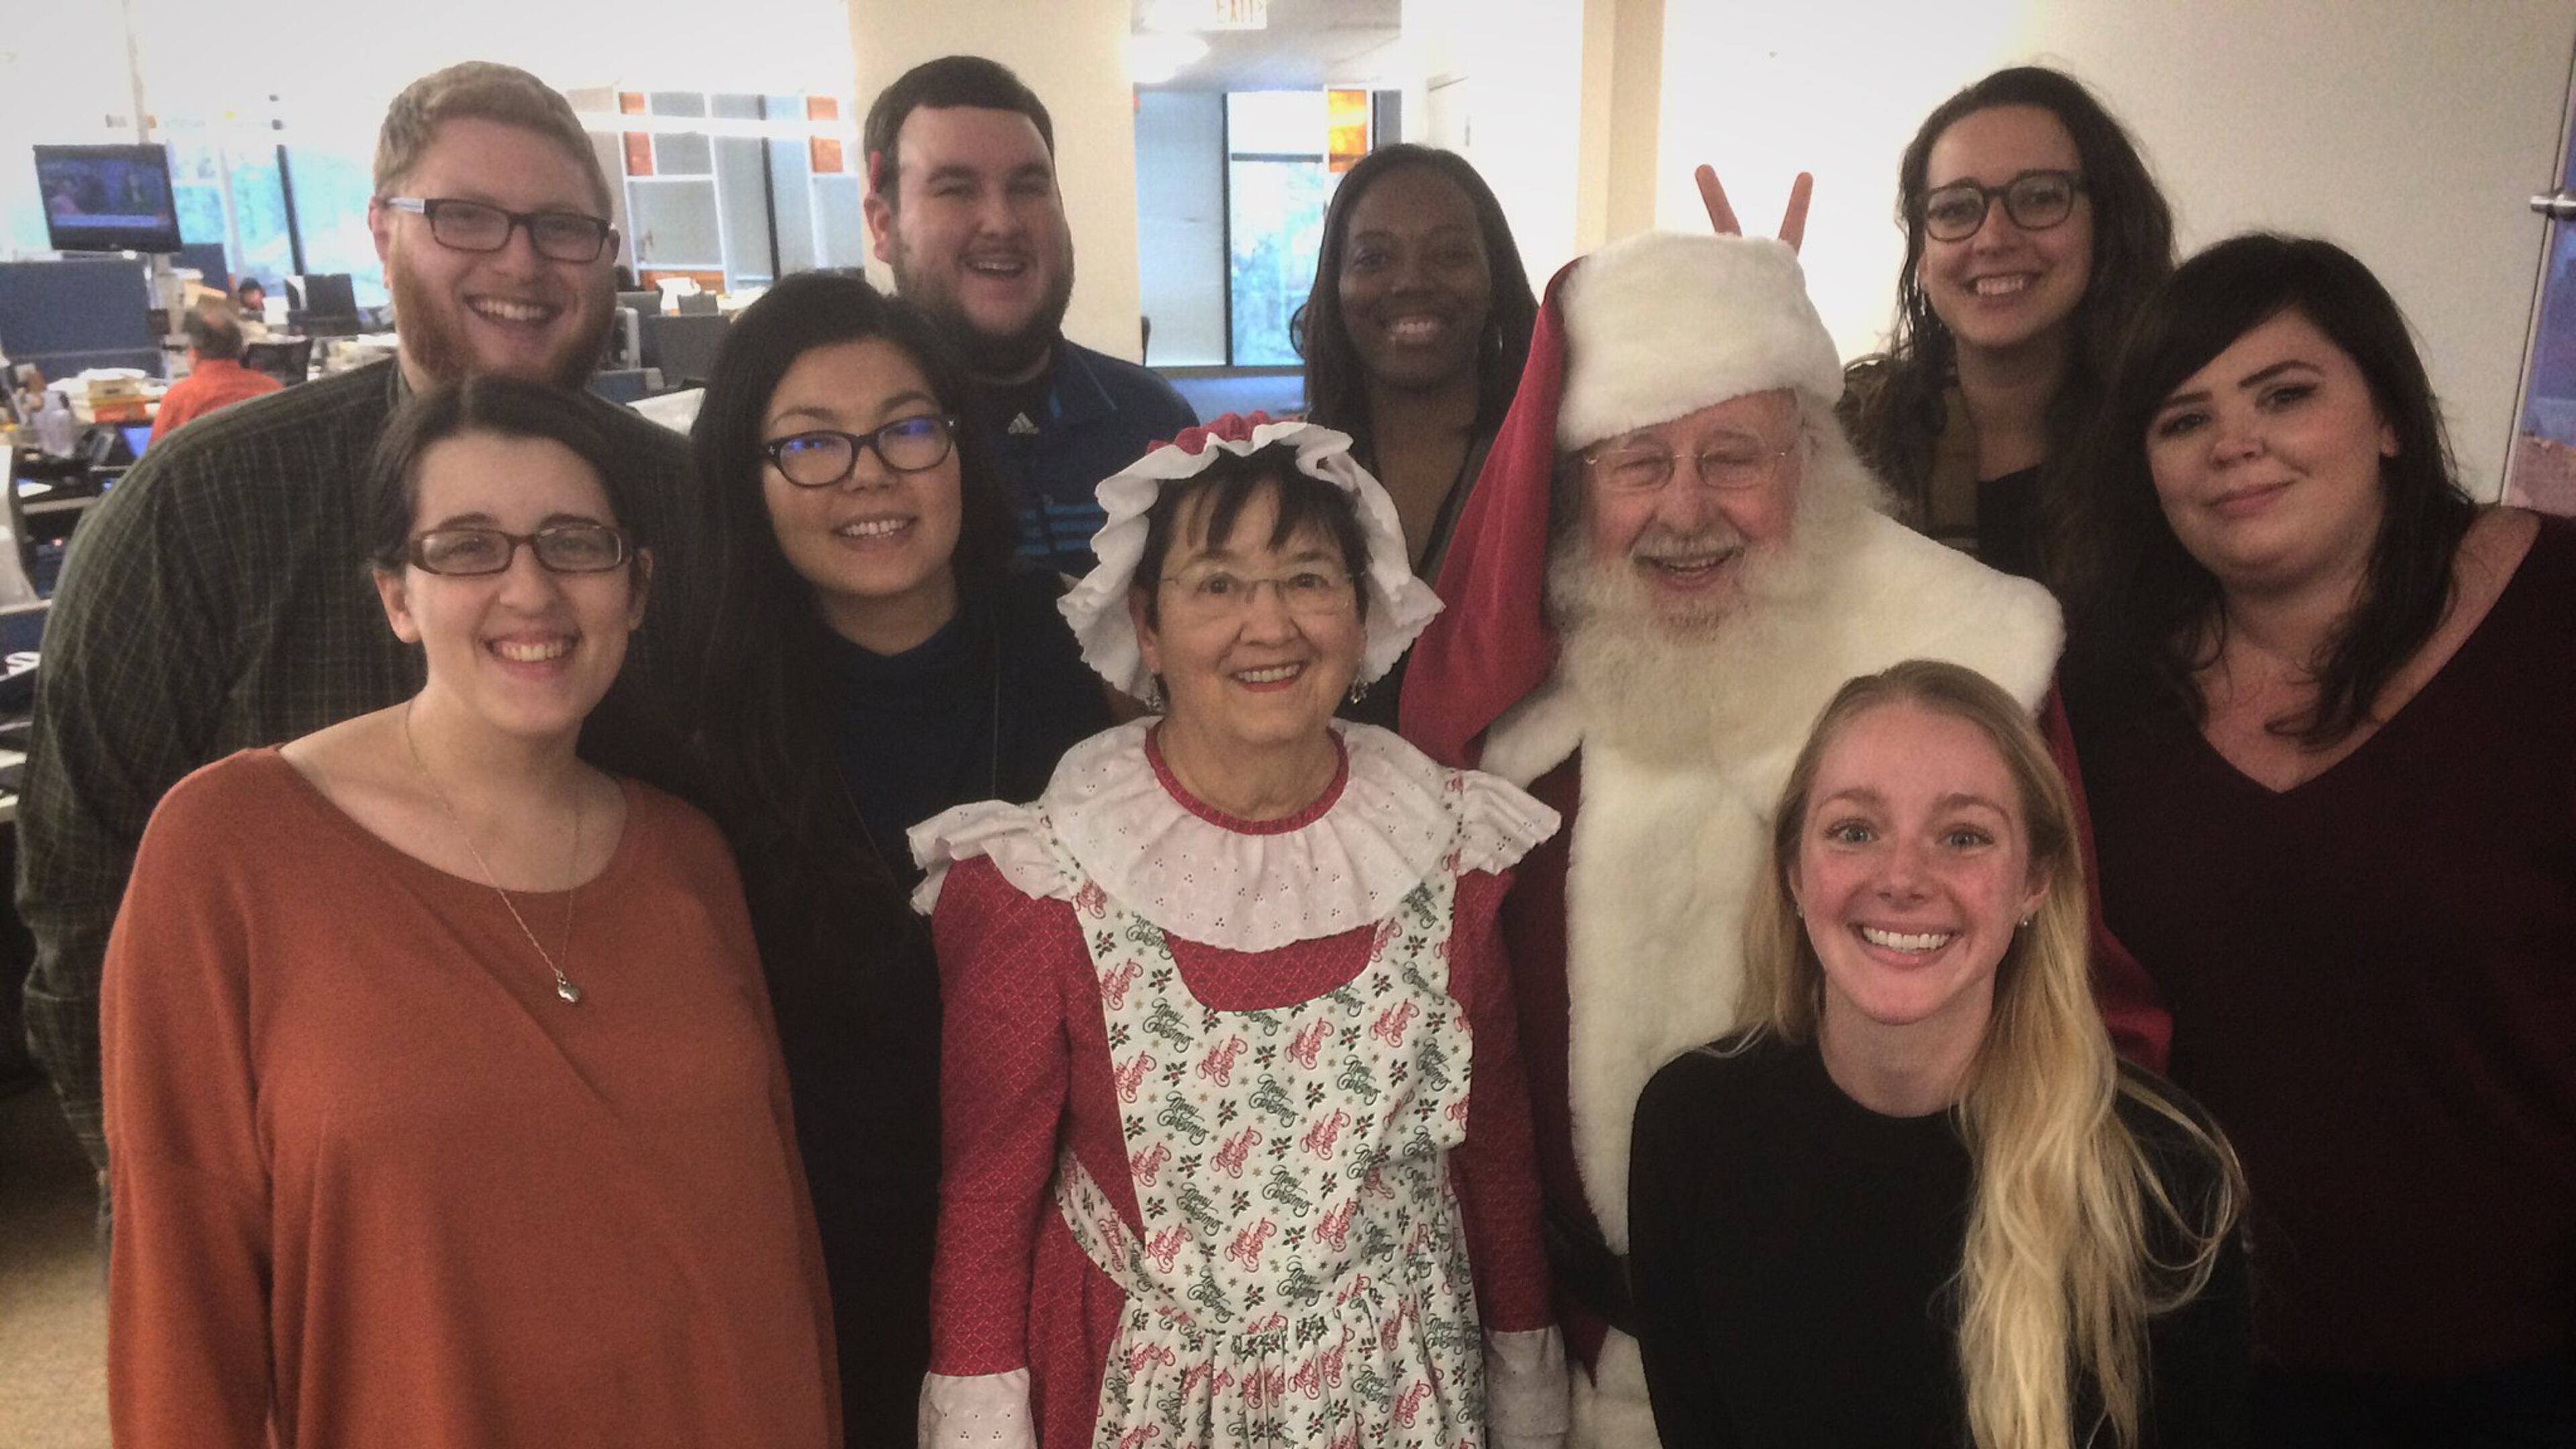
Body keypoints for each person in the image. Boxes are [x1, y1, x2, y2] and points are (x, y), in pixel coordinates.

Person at [1398, 203, 2165, 1446]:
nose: (1684, 509)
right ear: (1575, 489)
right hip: (1563, 1361)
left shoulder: (1967, 664)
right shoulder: (1516, 706)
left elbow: (2086, 1007)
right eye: (1637, 463)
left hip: (1895, 1353)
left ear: (1812, 461)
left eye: (1734, 456)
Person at [101, 375, 835, 1446]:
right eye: (467, 546)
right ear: (397, 594)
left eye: (574, 542)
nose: (529, 589)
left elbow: (782, 1255)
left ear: (634, 587)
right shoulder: (231, 851)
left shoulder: (687, 855)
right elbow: (179, 1300)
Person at [17, 61, 698, 1184]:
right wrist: (178, 1219)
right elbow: (85, 899)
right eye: (466, 216)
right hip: (323, 1217)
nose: (520, 260)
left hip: (637, 1175)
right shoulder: (203, 510)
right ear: (382, 232)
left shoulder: (689, 502)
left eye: (564, 227)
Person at [912, 414, 1568, 1447]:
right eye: (1216, 583)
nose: (1270, 626)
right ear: (1150, 625)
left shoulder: (1451, 851)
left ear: (1363, 615)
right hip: (1142, 1396)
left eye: (1309, 577)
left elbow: (1491, 1155)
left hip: (1400, 1387)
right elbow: (990, 1203)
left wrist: (1527, 1376)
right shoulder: (1043, 881)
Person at [2059, 233, 2576, 1445]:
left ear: (2389, 416)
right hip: (2186, 1357)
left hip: (2523, 1371)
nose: (2235, 443)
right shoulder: (2100, 691)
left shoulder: (2555, 619)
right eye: (2183, 419)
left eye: (2285, 394)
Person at [686, 269, 1113, 1444]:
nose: (869, 473)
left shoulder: (1083, 665)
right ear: (747, 477)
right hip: (806, 1274)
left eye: (908, 430)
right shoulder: (690, 724)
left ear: (963, 448)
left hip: (1059, 1262)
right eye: (810, 444)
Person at [1629, 659, 2247, 1449]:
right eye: (1855, 830)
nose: (1903, 879)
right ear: (1793, 871)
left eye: (1964, 837)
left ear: (2034, 883)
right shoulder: (1689, 1130)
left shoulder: (2167, 1175)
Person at [862, 54, 1196, 575]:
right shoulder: (851, 455)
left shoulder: (1156, 424)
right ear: (883, 226)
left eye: (1027, 186)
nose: (1001, 222)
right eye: (955, 188)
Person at [1840, 66, 2174, 580]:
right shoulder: (1845, 439)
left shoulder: (2178, 436)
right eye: (1955, 209)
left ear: (2106, 227)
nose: (1993, 238)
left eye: (2040, 197)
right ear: (1924, 260)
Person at [1297, 143, 1538, 584]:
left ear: (1494, 278)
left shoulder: (1553, 465)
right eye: (1374, 258)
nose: (1411, 282)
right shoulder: (1293, 471)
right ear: (1335, 286)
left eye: (1450, 254)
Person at [148, 303, 283, 444]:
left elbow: (155, 457)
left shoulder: (179, 397)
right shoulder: (272, 389)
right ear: (241, 351)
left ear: (194, 353)